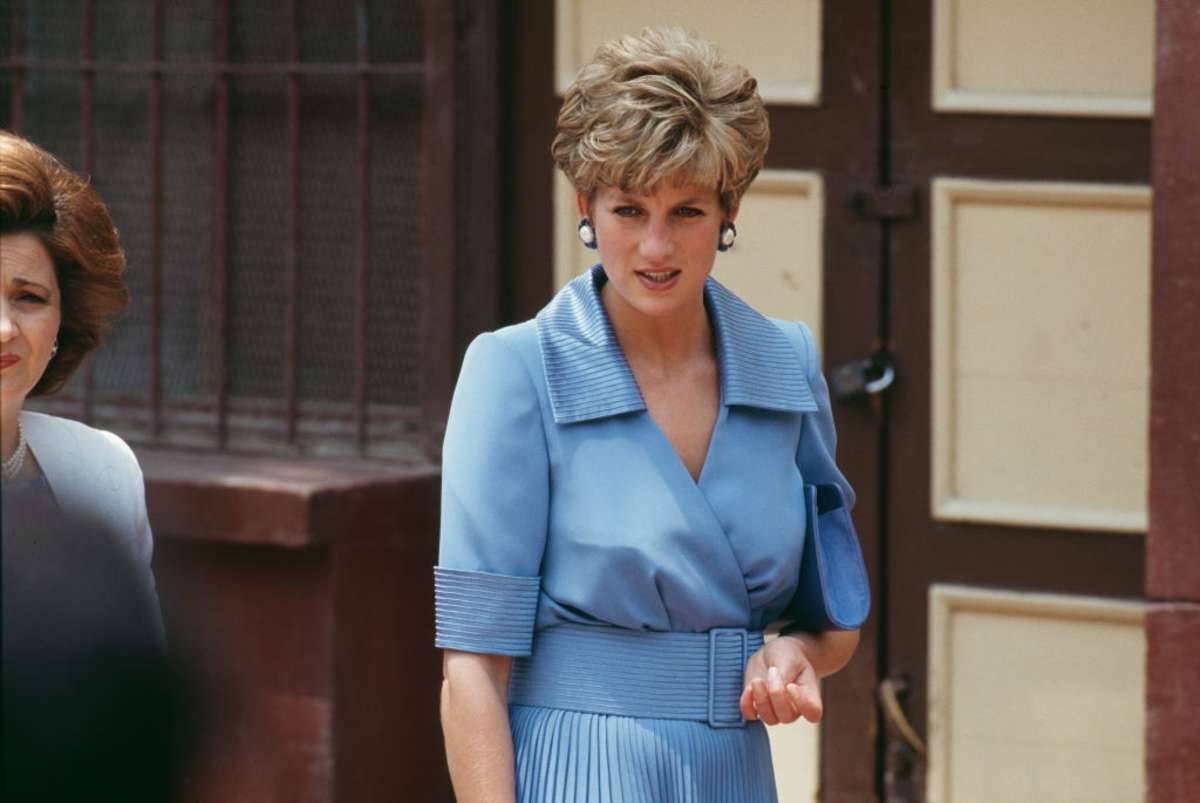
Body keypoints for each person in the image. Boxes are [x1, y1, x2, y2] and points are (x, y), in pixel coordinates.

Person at [435, 28, 862, 802]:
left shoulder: (785, 367)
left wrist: (792, 652)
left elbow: (834, 620)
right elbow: (471, 670)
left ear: (730, 209)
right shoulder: (516, 371)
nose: (655, 246)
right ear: (585, 207)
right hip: (575, 767)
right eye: (629, 209)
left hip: (735, 772)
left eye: (687, 210)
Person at [0, 129, 162, 640]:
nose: (4, 328)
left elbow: (139, 683)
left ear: (61, 326)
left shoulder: (103, 470)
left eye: (28, 297)